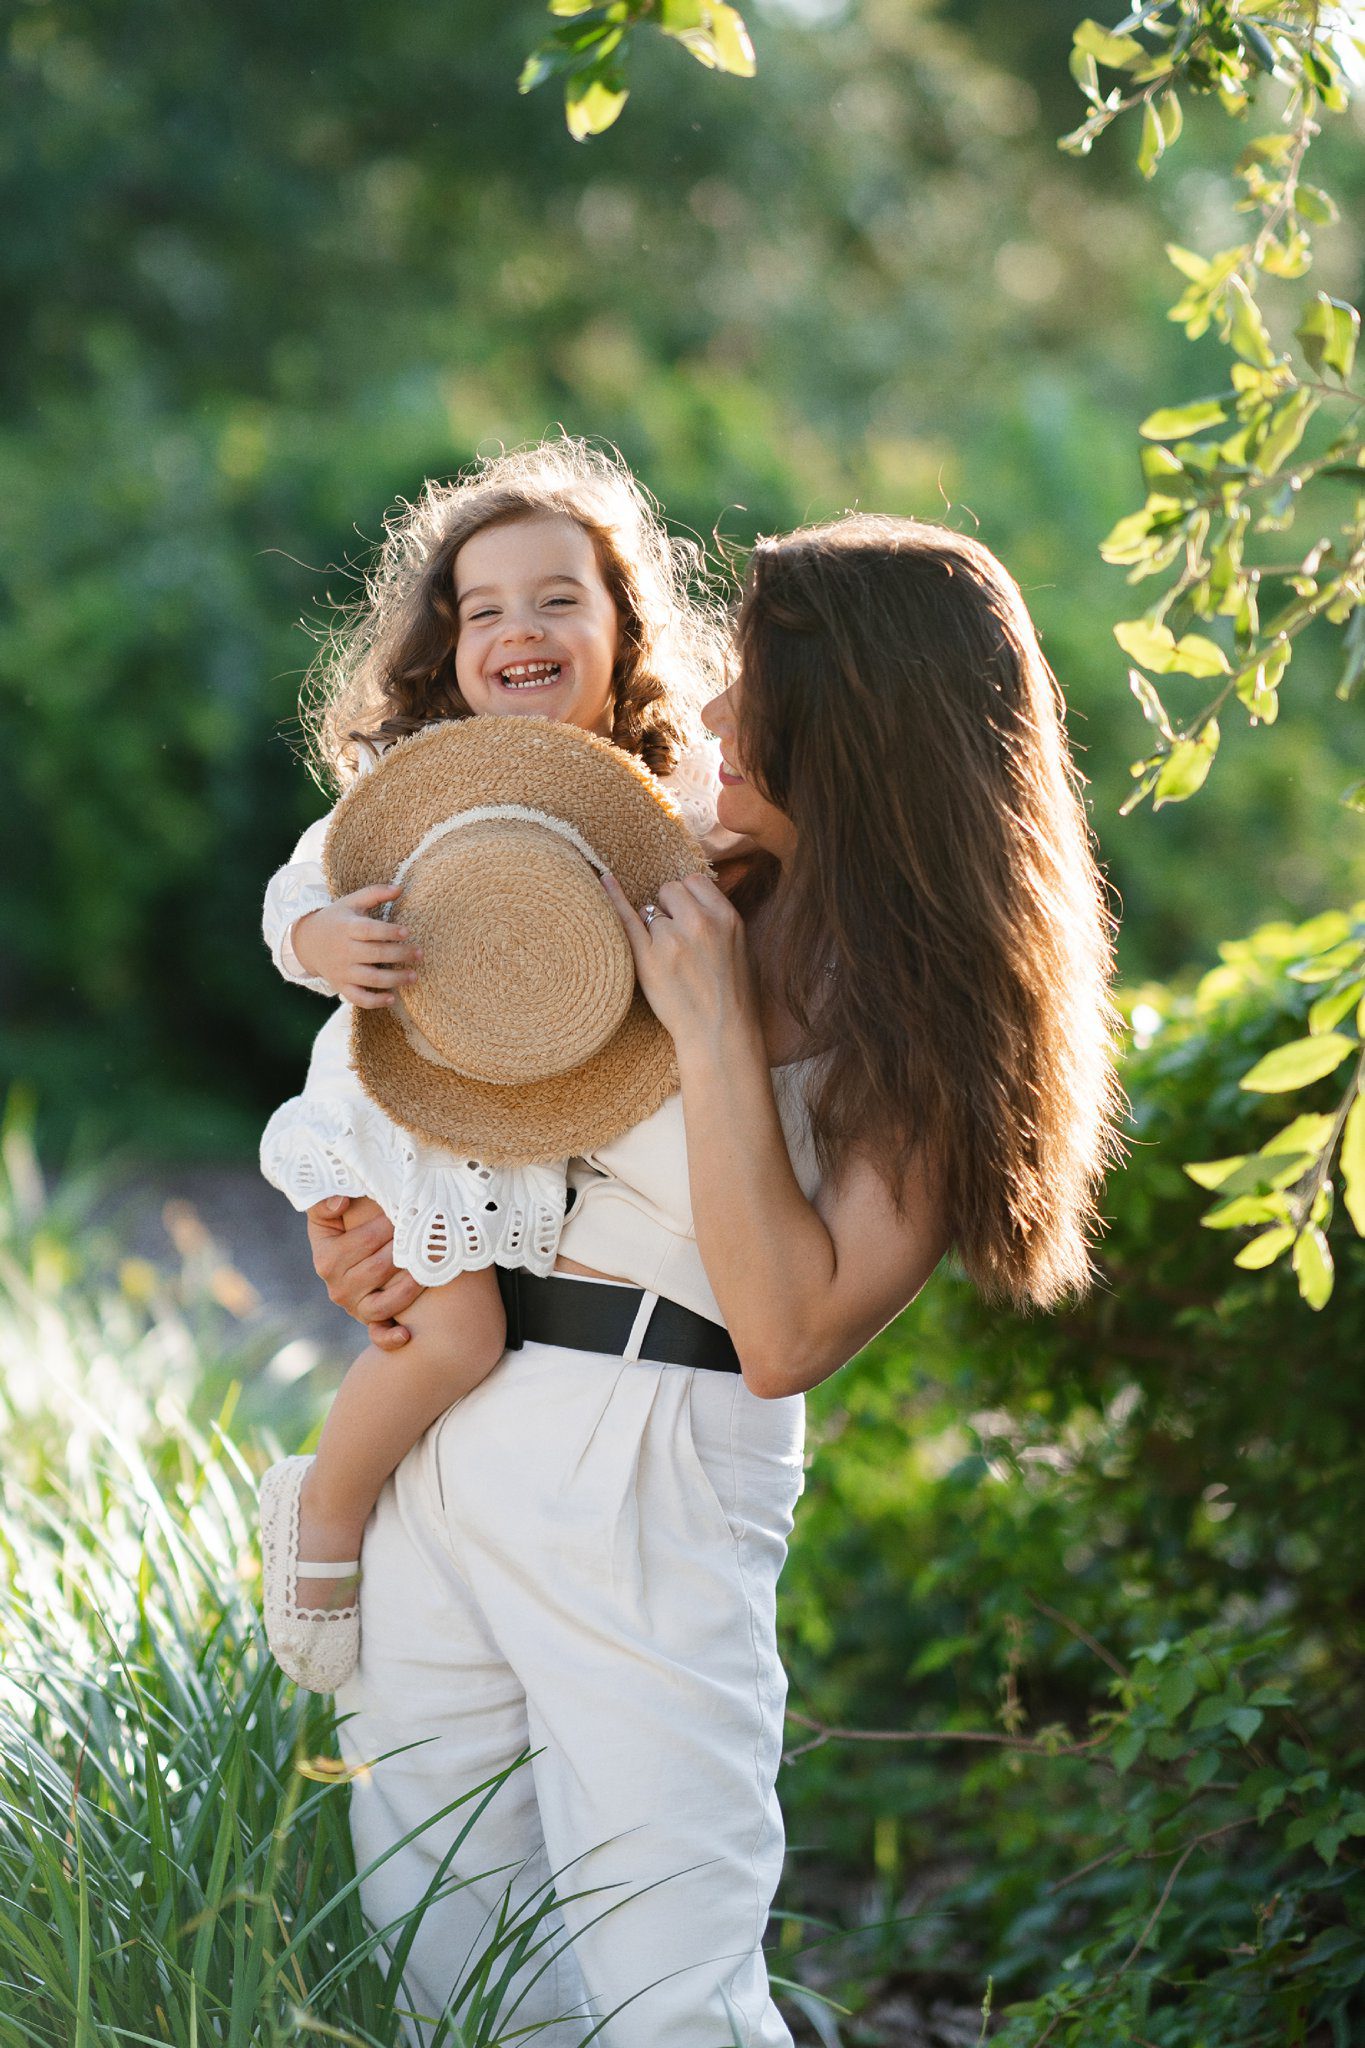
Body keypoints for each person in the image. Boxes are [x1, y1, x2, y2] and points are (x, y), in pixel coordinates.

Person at [301, 515, 1121, 2045]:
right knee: (451, 1979)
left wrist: (717, 1034)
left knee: (669, 1986)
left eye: (757, 681)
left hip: (657, 1469)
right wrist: (364, 1230)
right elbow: (451, 1089)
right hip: (454, 1437)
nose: (720, 711)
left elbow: (787, 1331)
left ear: (863, 722)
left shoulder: (944, 1019)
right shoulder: (678, 866)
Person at [257, 440, 740, 1690]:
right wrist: (325, 936)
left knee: (493, 1325)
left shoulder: (665, 795)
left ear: (626, 625)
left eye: (557, 598)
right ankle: (323, 1509)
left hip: (520, 1124)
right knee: (461, 1332)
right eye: (484, 609)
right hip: (402, 1109)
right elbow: (293, 890)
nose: (518, 627)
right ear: (448, 644)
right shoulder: (418, 786)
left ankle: (393, 1520)